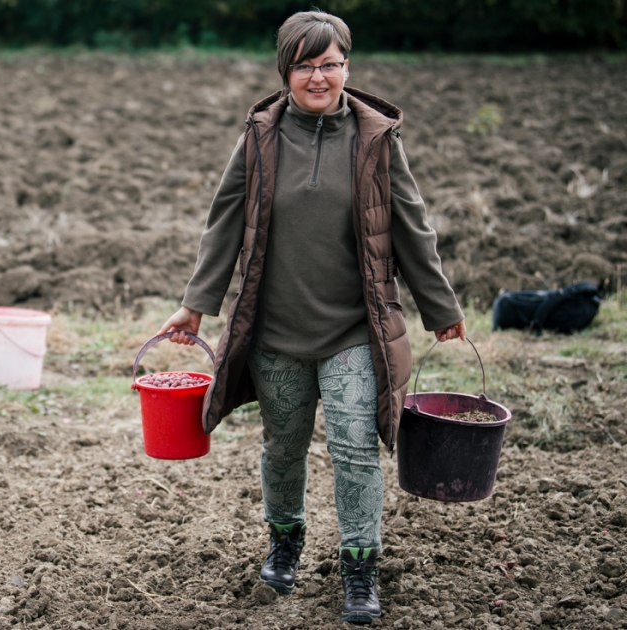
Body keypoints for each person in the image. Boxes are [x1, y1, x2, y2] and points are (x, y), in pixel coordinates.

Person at [157, 10, 466, 625]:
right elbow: (223, 224)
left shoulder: (377, 139)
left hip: (355, 329)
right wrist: (196, 305)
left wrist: (440, 308)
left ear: (347, 67)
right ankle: (285, 542)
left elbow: (410, 224)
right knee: (284, 446)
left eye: (331, 63)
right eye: (306, 65)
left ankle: (360, 568)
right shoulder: (261, 136)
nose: (319, 76)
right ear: (287, 71)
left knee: (355, 448)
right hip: (275, 332)